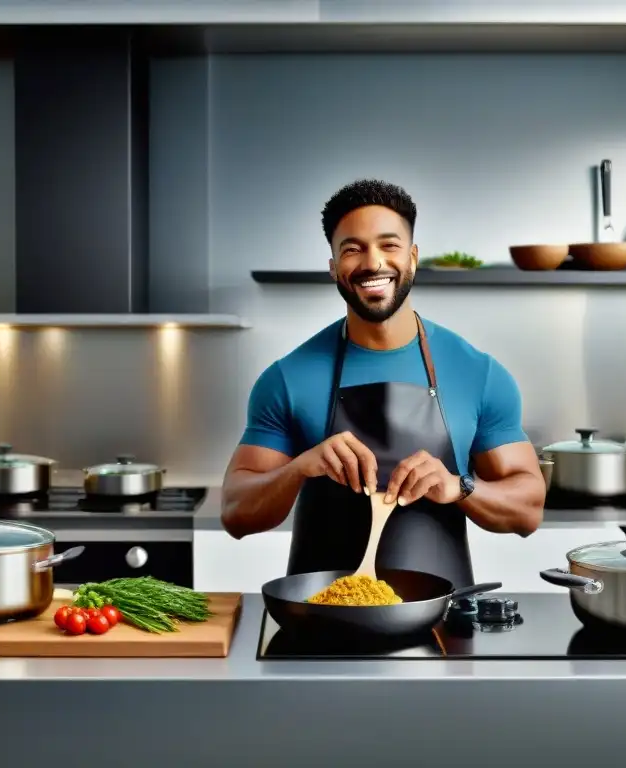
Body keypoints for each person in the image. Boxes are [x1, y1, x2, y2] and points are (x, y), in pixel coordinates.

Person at [220, 179, 546, 588]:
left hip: (444, 630)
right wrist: (300, 468)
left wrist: (458, 486)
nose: (373, 263)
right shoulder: (287, 377)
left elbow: (528, 510)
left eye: (388, 245)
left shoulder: (478, 373)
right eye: (352, 249)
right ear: (334, 266)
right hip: (319, 629)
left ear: (412, 257)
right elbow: (235, 513)